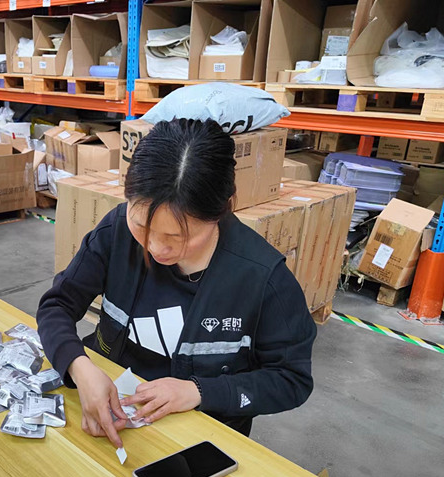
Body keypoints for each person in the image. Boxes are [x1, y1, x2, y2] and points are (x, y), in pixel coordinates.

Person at [37, 118, 317, 447]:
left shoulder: (262, 277)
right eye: (142, 227)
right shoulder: (116, 231)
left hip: (202, 434)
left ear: (223, 210)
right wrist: (80, 368)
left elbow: (291, 379)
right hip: (112, 406)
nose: (156, 248)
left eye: (178, 237)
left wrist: (199, 391)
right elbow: (58, 305)